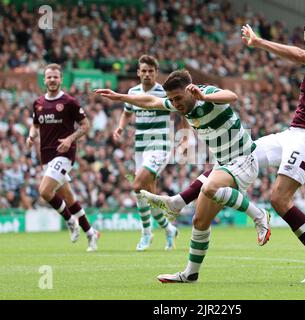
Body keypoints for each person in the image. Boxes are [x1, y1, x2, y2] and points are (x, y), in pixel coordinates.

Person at [141, 16, 305, 283]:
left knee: (279, 199)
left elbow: (301, 57)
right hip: (293, 133)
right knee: (240, 154)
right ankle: (180, 205)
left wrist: (259, 42)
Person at [94, 69, 271, 283]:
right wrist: (121, 96)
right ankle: (190, 274)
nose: (175, 104)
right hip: (224, 164)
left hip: (244, 159)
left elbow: (231, 95)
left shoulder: (206, 95)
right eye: (171, 99)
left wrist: (205, 96)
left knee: (210, 187)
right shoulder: (180, 104)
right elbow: (151, 101)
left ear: (190, 90)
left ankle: (260, 215)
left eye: (178, 98)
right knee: (199, 220)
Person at [26, 63, 100, 252]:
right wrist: (31, 136)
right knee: (68, 197)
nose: (52, 80)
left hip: (64, 153)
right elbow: (35, 124)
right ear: (44, 79)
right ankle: (91, 233)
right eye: (49, 77)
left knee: (44, 191)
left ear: (61, 79)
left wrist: (70, 139)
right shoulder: (38, 103)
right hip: (46, 155)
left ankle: (70, 221)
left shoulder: (69, 102)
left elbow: (85, 126)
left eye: (55, 77)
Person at [112, 55, 178, 251]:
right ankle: (169, 229)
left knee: (137, 184)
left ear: (156, 73)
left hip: (160, 146)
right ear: (138, 73)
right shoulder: (132, 92)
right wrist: (121, 128)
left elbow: (181, 111)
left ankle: (146, 233)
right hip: (140, 148)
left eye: (151, 71)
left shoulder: (164, 92)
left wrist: (185, 134)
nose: (147, 74)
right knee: (148, 195)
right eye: (144, 71)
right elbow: (126, 112)